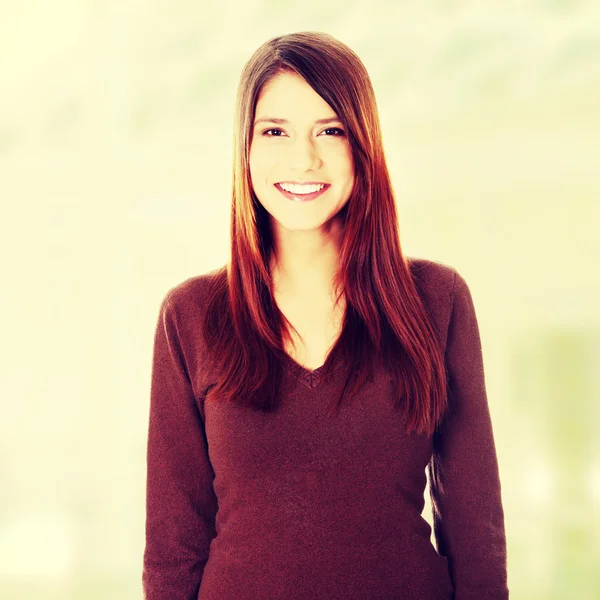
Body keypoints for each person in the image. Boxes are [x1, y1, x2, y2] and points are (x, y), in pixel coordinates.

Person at [142, 31, 509, 599]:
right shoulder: (190, 316)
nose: (304, 159)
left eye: (330, 131)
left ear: (362, 144)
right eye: (275, 132)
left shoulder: (437, 301)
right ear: (246, 148)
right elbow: (174, 548)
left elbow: (474, 529)